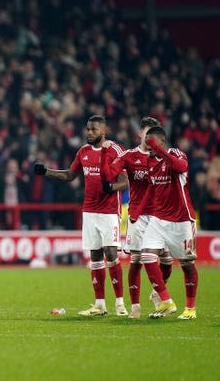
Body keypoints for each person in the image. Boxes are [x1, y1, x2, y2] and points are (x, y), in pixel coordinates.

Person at [34, 115, 129, 316]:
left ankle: (120, 304)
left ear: (103, 130)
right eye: (88, 129)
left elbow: (126, 181)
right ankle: (99, 304)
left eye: (93, 130)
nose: (89, 133)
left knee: (111, 254)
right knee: (95, 256)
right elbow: (70, 175)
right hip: (89, 211)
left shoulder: (115, 150)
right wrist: (46, 172)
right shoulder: (84, 151)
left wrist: (111, 187)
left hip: (109, 211)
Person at [100, 117, 173, 318]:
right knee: (136, 261)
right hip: (138, 217)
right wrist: (106, 156)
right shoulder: (129, 156)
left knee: (167, 262)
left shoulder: (163, 157)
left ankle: (157, 292)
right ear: (141, 134)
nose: (150, 138)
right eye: (147, 133)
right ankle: (135, 307)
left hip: (160, 215)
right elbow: (110, 174)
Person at [136, 126, 199, 319]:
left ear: (162, 142)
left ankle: (190, 308)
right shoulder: (149, 162)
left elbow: (181, 168)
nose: (148, 146)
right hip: (158, 218)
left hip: (181, 219)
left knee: (187, 265)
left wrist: (161, 150)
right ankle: (166, 301)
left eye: (152, 142)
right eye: (147, 143)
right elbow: (151, 189)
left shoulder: (175, 153)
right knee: (146, 255)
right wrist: (137, 212)